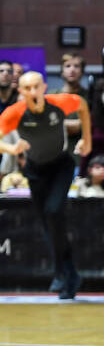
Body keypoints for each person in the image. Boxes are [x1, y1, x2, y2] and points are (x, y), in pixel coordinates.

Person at [0, 71, 90, 299]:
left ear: (44, 87)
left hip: (61, 166)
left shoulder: (58, 103)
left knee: (53, 211)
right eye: (27, 88)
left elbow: (82, 105)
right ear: (20, 91)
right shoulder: (15, 113)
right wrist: (12, 149)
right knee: (48, 225)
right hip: (35, 170)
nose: (33, 91)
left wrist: (86, 139)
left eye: (36, 86)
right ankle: (69, 276)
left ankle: (60, 272)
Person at [54, 53, 88, 162]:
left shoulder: (89, 96)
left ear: (82, 71)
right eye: (67, 66)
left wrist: (61, 124)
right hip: (56, 155)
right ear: (62, 71)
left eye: (76, 66)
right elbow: (48, 125)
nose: (72, 70)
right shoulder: (52, 96)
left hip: (81, 156)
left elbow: (89, 125)